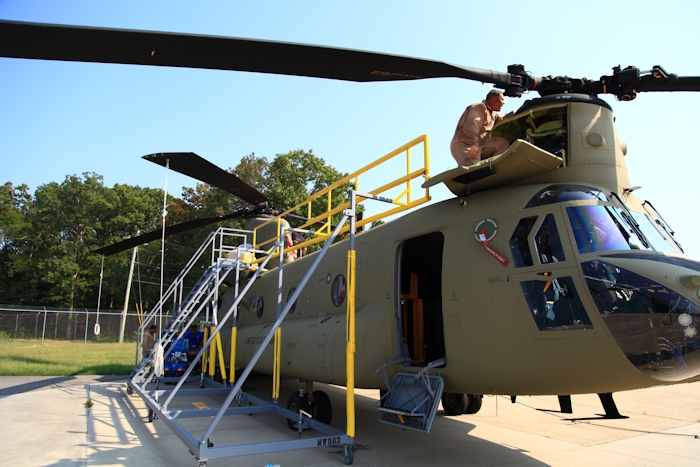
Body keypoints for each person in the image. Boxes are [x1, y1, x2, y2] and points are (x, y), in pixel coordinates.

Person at [450, 89, 511, 167]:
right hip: (466, 145)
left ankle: (494, 168)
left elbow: (503, 117)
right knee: (475, 172)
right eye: (502, 99)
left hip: (479, 145)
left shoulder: (493, 114)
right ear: (492, 99)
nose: (503, 102)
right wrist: (473, 144)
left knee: (502, 144)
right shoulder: (479, 107)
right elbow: (471, 126)